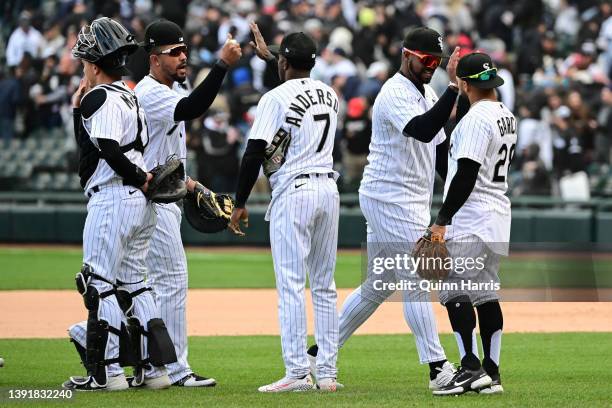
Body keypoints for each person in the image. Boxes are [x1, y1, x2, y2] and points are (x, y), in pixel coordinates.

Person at [68, 19, 242, 388]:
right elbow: (191, 108)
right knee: (144, 284)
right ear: (151, 57)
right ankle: (163, 368)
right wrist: (222, 64)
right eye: (174, 52)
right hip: (148, 197)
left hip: (133, 194)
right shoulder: (142, 94)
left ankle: (123, 370)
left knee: (112, 283)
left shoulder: (124, 95)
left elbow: (109, 151)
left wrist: (183, 183)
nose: (183, 57)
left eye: (185, 51)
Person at [308, 27, 461, 393]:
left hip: (407, 200)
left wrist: (456, 194)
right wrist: (454, 88)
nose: (431, 66)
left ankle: (317, 354)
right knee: (418, 278)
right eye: (426, 59)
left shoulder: (427, 91)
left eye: (436, 61)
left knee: (378, 285)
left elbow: (439, 150)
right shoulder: (393, 92)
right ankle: (438, 369)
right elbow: (424, 130)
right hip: (388, 198)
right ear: (406, 54)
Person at [63, 17, 177, 391]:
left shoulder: (101, 96)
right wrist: (78, 110)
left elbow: (109, 151)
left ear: (94, 65)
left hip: (114, 196)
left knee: (98, 284)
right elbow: (95, 146)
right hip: (139, 205)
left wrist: (137, 177)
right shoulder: (129, 94)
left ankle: (107, 373)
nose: (83, 68)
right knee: (136, 286)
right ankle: (155, 370)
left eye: (84, 62)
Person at [229, 23, 341, 392]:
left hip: (295, 191)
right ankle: (326, 373)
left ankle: (297, 373)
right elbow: (294, 94)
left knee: (291, 286)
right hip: (328, 189)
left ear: (283, 63)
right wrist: (274, 58)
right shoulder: (329, 93)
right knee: (324, 286)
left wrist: (240, 202)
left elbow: (253, 153)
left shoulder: (273, 98)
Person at [430, 52, 516, 396]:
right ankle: (492, 372)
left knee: (452, 288)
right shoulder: (505, 115)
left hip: (473, 213)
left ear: (464, 84)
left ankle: (469, 367)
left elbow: (465, 173)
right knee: (484, 292)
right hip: (497, 214)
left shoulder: (475, 120)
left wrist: (442, 220)